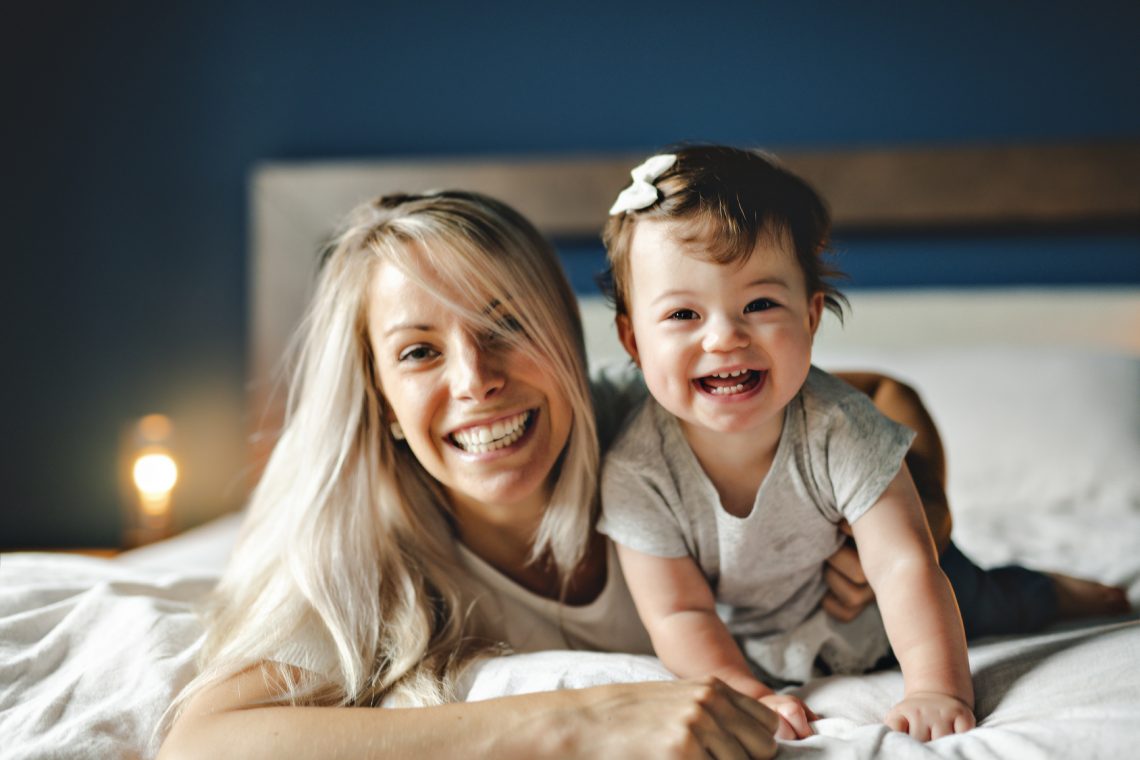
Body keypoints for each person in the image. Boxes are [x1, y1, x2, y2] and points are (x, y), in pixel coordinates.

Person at [596, 145, 1130, 743]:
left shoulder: (840, 425)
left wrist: (936, 688)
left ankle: (1052, 588)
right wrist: (744, 691)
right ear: (633, 340)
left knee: (995, 601)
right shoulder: (635, 471)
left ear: (811, 316)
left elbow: (903, 564)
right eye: (683, 315)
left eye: (760, 304)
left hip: (890, 608)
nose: (725, 337)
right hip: (773, 639)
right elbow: (680, 613)